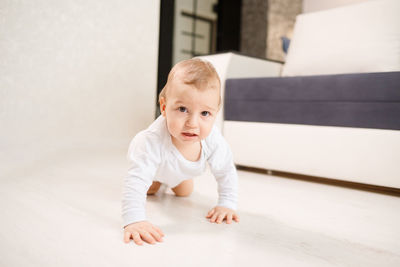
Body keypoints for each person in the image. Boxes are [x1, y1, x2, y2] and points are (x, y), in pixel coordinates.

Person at [122, 58, 239, 246]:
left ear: (215, 114)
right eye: (182, 109)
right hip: (157, 169)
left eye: (205, 114)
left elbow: (225, 171)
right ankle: (158, 181)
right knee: (149, 189)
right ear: (164, 107)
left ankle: (177, 178)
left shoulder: (214, 140)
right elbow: (135, 181)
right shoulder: (149, 141)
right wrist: (134, 219)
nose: (192, 123)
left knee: (184, 192)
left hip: (183, 173)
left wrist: (227, 203)